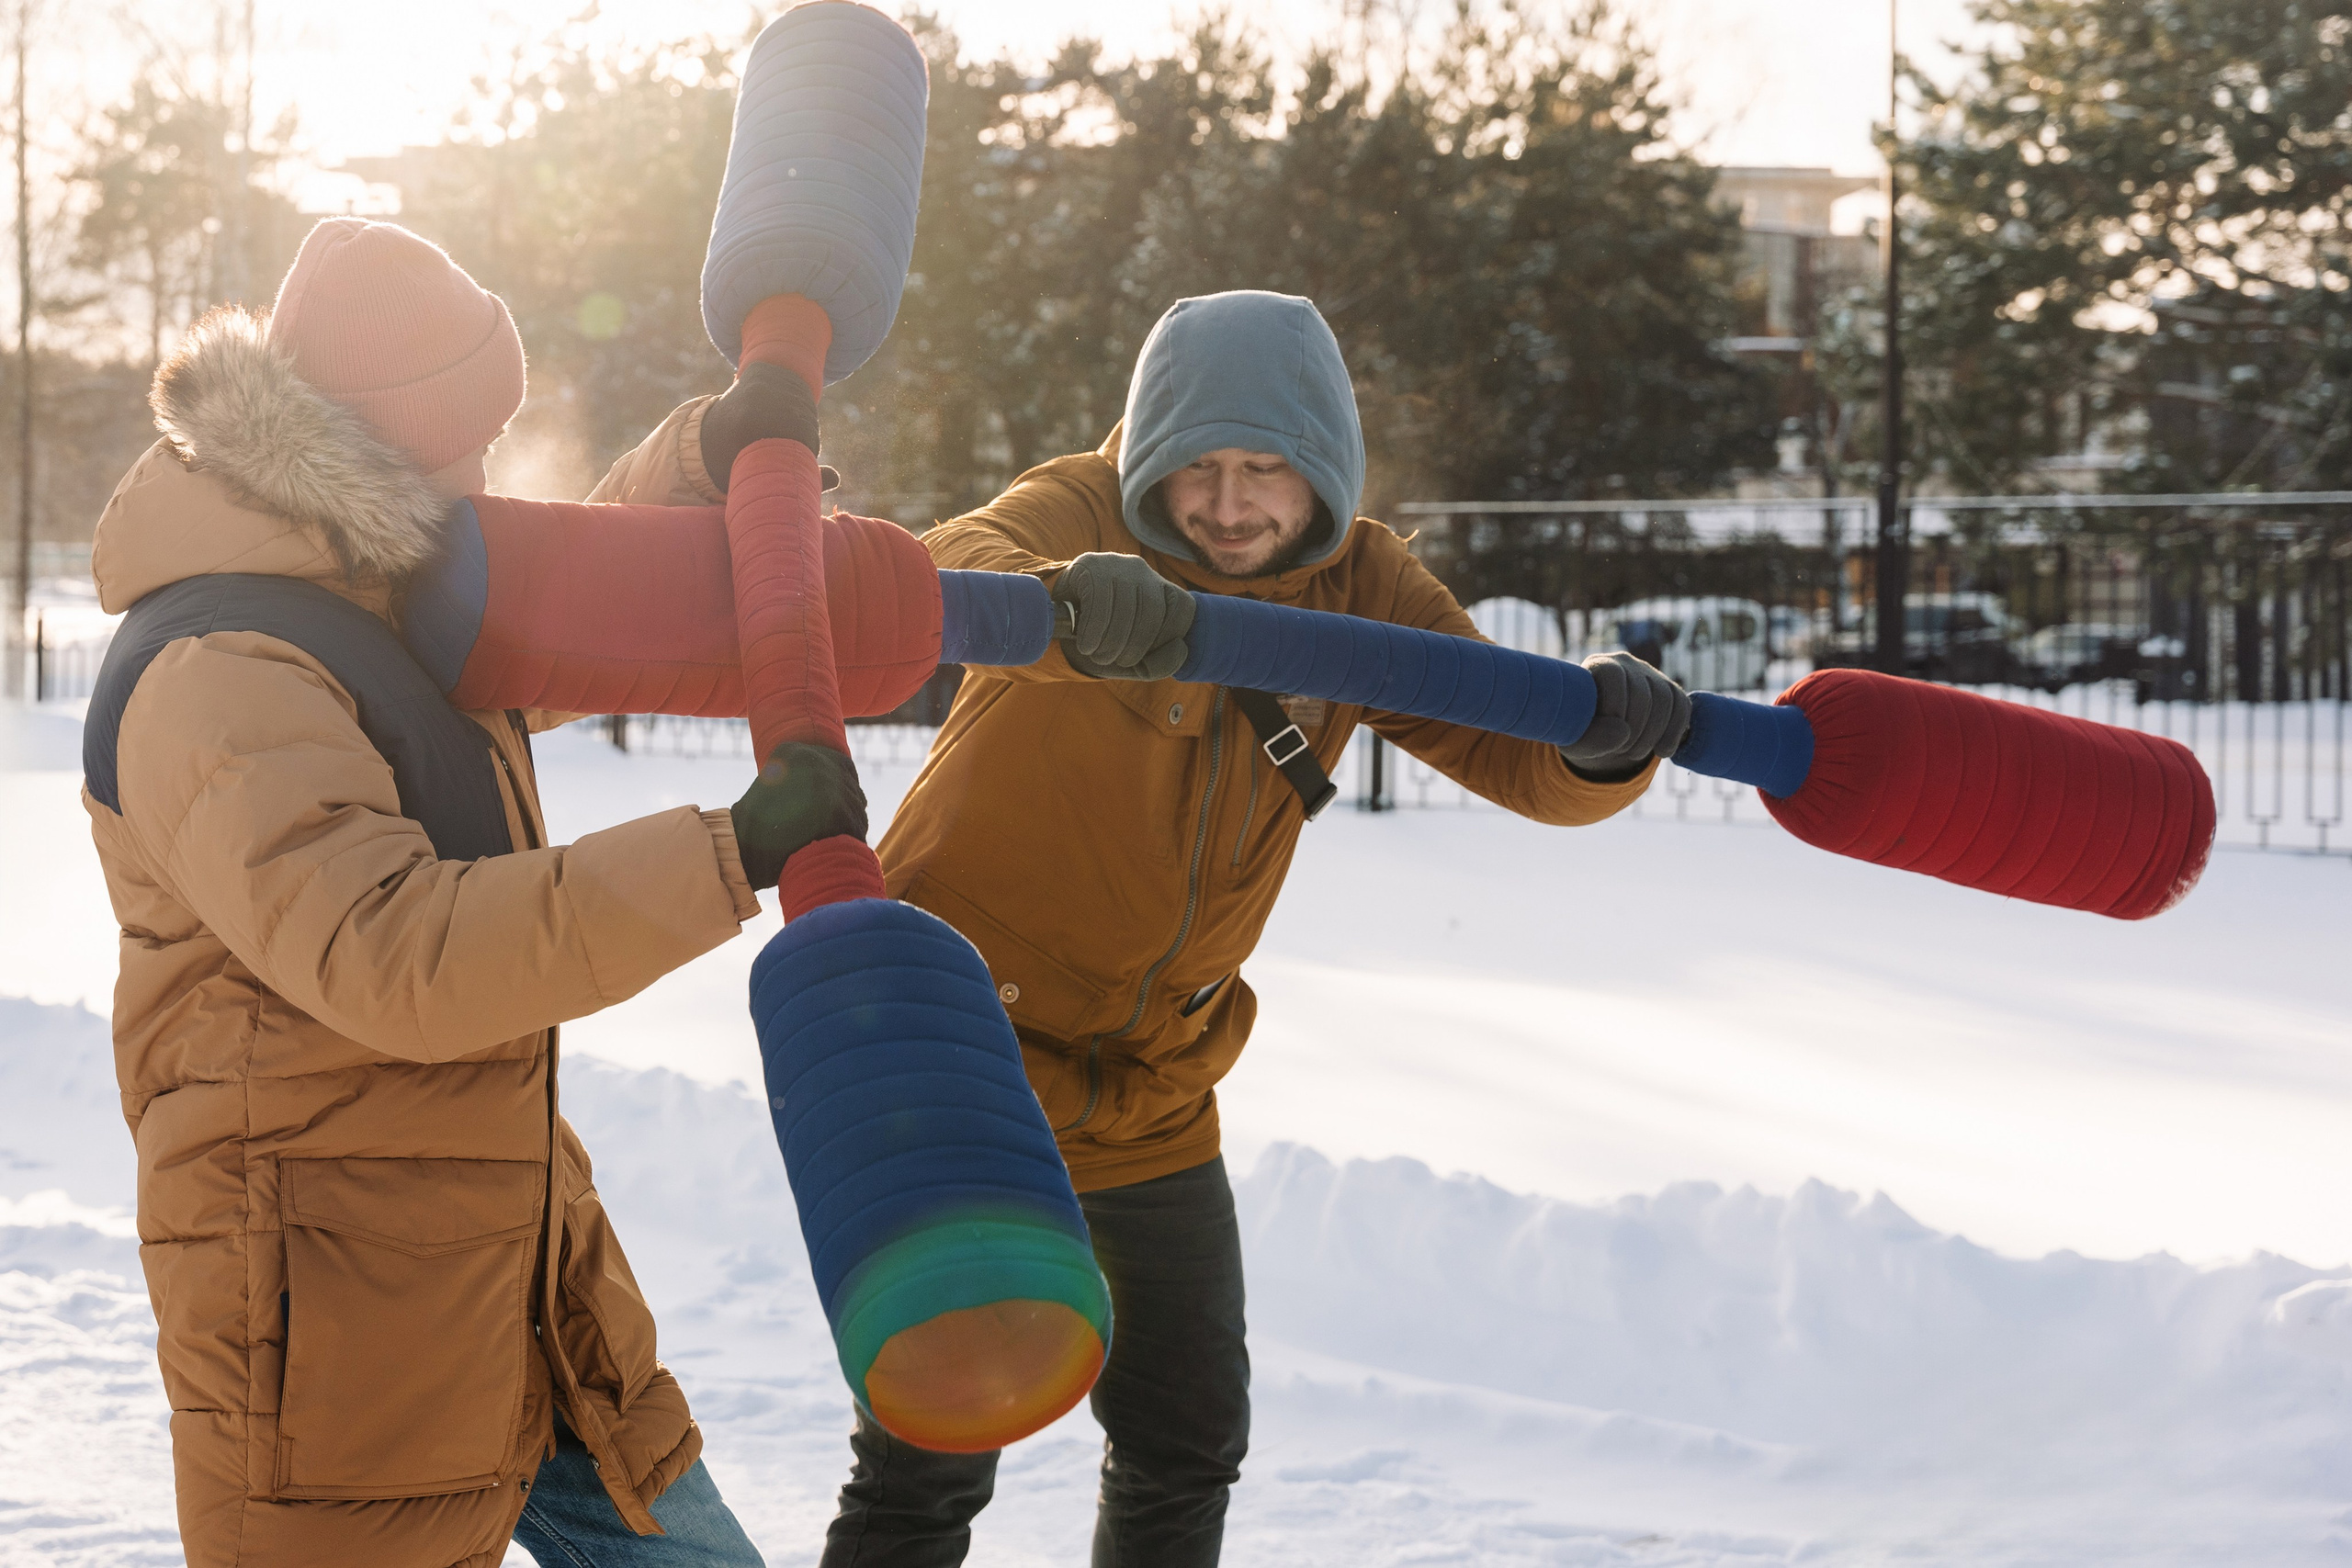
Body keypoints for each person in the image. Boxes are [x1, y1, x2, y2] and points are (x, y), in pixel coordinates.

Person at [601, 289, 1684, 1565]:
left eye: (1267, 471)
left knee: (1186, 1436)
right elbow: (955, 565)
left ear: (1323, 471)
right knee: (933, 1464)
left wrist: (1607, 742)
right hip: (965, 1063)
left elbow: (1519, 757)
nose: (1230, 504)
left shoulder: (1360, 583)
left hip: (1157, 1085)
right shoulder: (1079, 507)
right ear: (1149, 455)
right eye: (1200, 468)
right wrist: (1070, 606)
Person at [82, 218, 845, 1568]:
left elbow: (567, 615)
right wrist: (723, 853)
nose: (487, 473)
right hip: (335, 1313)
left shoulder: (379, 579)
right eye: (464, 443)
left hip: (523, 1283)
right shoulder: (222, 668)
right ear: (369, 446)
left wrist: (697, 462)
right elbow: (393, 954)